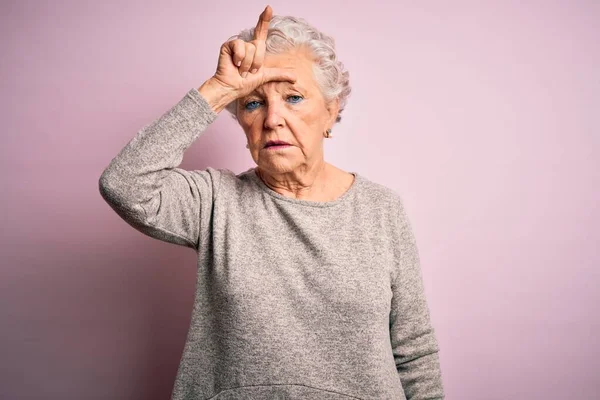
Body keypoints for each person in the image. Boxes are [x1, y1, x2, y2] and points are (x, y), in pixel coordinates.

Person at [99, 5, 445, 400]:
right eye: (252, 103)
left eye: (293, 97)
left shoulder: (381, 209)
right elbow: (124, 183)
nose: (273, 119)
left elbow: (413, 352)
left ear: (331, 111)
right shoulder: (215, 201)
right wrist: (218, 89)